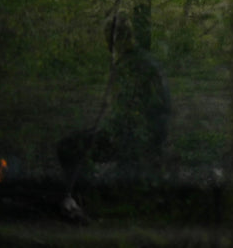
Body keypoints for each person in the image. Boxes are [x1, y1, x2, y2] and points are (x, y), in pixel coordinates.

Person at [57, 15, 171, 187]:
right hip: (154, 135)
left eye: (108, 39)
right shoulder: (147, 61)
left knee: (67, 147)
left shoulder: (127, 67)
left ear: (115, 40)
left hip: (135, 139)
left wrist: (103, 130)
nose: (107, 46)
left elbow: (123, 117)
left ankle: (85, 193)